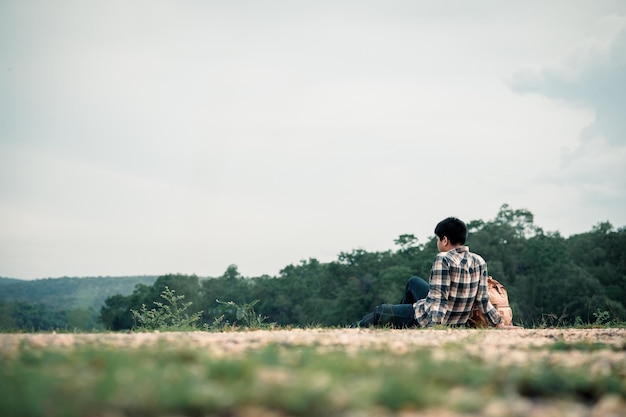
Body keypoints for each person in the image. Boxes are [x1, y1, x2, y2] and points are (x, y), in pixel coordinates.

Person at [354, 217, 504, 328]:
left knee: (381, 311)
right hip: (458, 318)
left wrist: (435, 327)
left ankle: (354, 330)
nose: (437, 243)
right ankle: (401, 325)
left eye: (438, 239)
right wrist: (498, 323)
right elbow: (482, 300)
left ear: (444, 240)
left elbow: (439, 299)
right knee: (413, 282)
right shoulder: (479, 261)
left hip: (434, 316)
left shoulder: (443, 259)